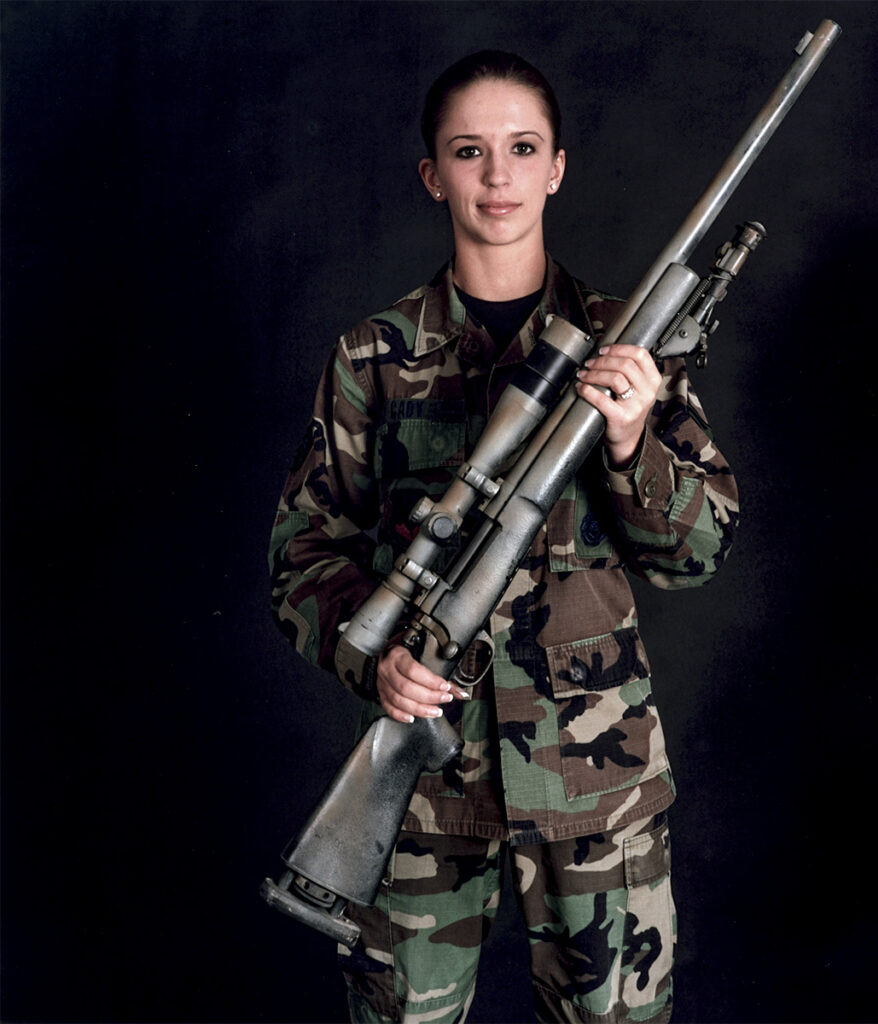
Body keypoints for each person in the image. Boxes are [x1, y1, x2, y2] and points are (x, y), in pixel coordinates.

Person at [270, 49, 737, 1024]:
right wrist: (376, 655)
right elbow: (303, 555)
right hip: (422, 800)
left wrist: (630, 438)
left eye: (521, 149)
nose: (497, 176)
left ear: (556, 166)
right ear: (432, 173)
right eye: (469, 151)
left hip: (594, 794)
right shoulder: (373, 356)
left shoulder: (627, 346)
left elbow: (694, 553)